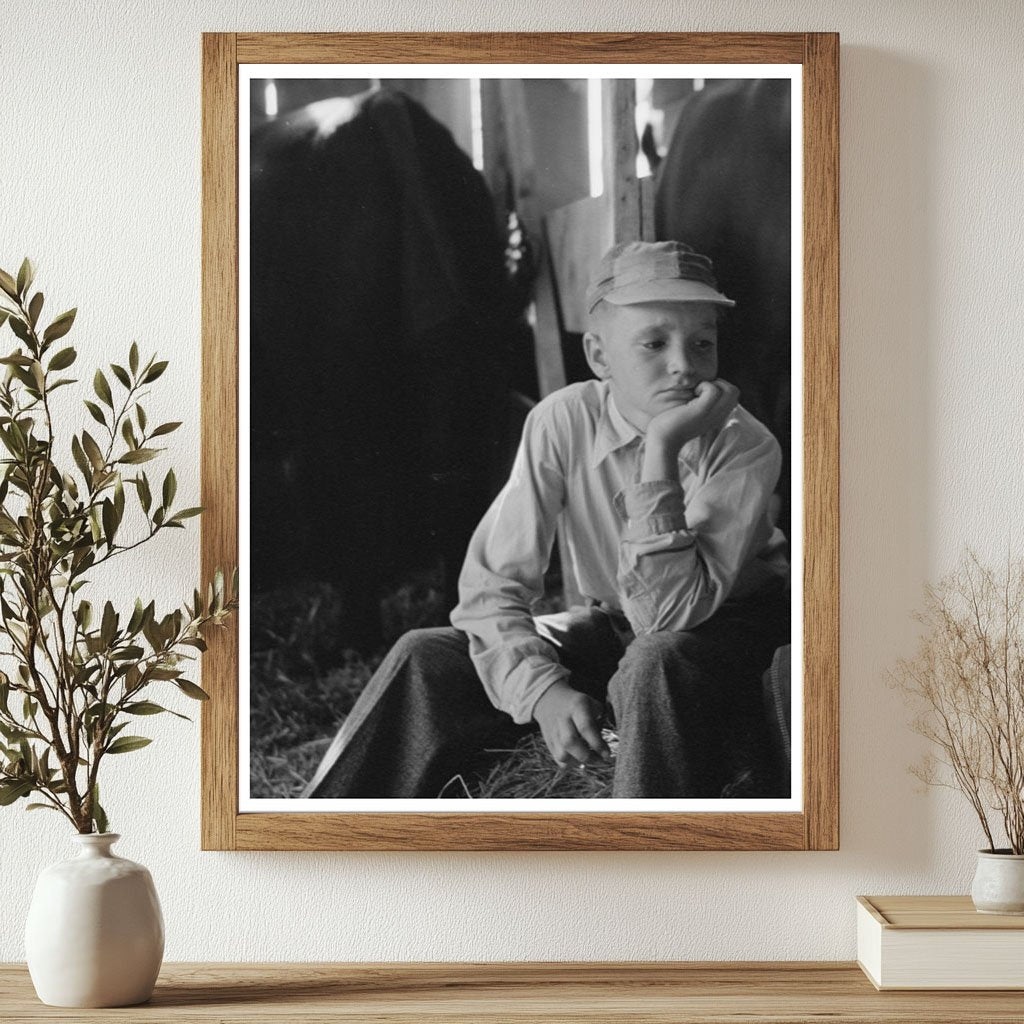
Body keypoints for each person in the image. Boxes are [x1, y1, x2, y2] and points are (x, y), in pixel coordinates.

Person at [303, 240, 790, 800]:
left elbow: (670, 615)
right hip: (618, 627)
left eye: (702, 343)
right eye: (654, 343)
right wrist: (543, 693)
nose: (683, 364)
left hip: (729, 638)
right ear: (600, 357)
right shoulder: (561, 421)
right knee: (426, 654)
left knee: (653, 661)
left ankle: (644, 866)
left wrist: (660, 449)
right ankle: (317, 843)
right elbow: (491, 587)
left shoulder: (744, 445)